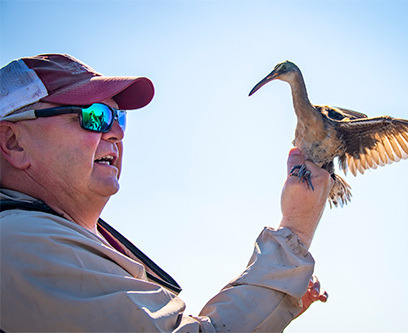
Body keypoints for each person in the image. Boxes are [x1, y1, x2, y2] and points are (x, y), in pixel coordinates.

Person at [0, 53, 331, 332]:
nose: (116, 132)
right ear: (14, 143)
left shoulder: (56, 238)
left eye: (119, 117)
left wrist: (272, 303)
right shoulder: (21, 242)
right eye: (95, 116)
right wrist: (296, 230)